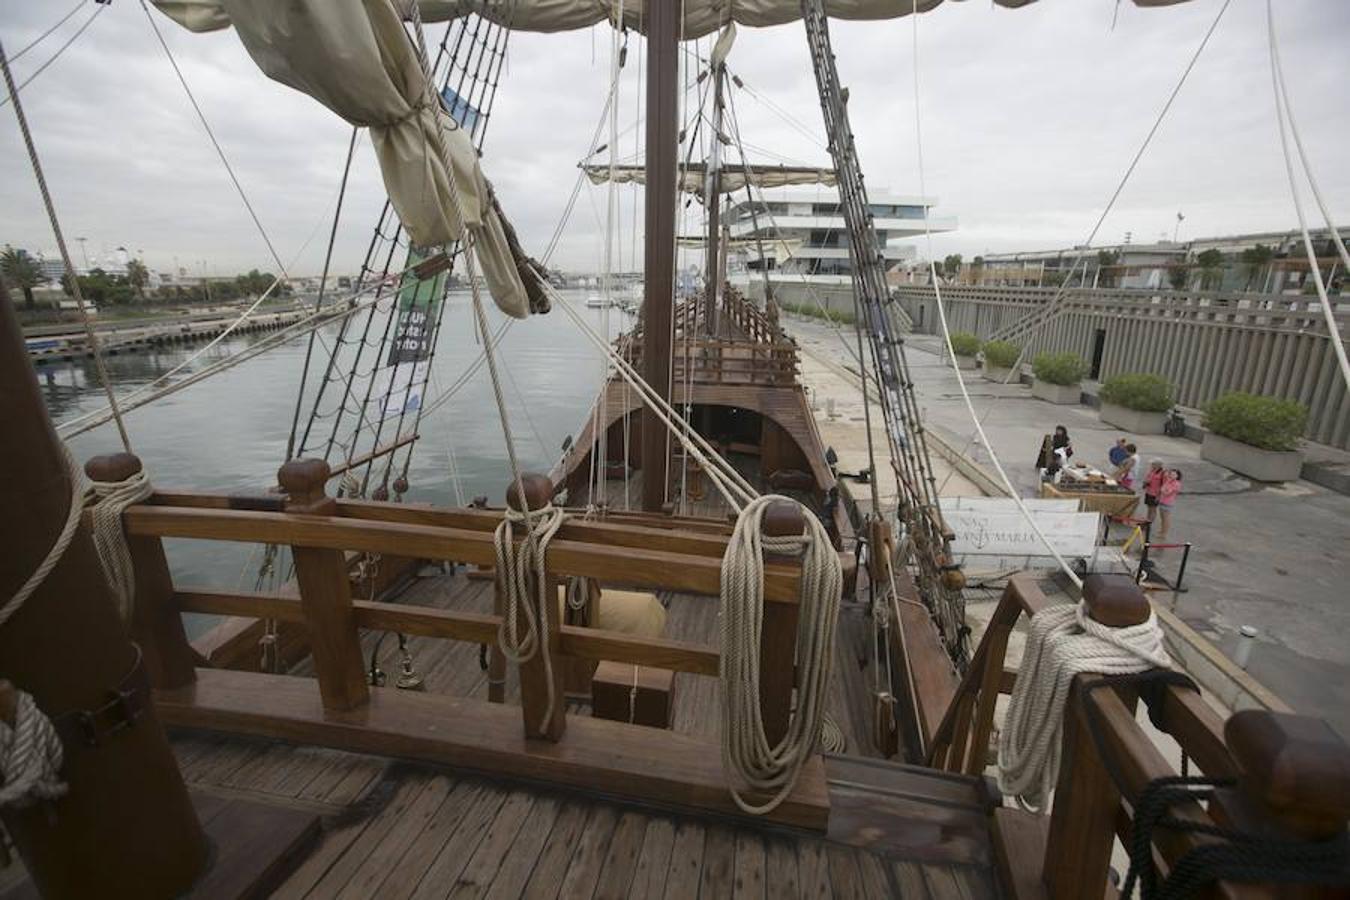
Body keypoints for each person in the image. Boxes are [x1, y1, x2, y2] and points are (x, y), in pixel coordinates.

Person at [1156, 468, 1182, 541]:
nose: (1171, 475)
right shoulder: (1168, 481)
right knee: (1162, 518)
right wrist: (1164, 490)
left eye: (1174, 474)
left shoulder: (1177, 483)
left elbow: (1167, 492)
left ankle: (1164, 533)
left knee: (1166, 519)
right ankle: (1162, 531)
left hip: (1168, 503)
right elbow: (1162, 489)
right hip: (1162, 501)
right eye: (1171, 474)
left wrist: (1164, 490)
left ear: (1177, 476)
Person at [1142, 458, 1166, 530]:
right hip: (1149, 491)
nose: (1151, 465)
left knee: (1153, 509)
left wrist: (1159, 496)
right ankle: (1147, 521)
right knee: (1149, 508)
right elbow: (1147, 478)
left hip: (1155, 494)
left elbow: (1164, 485)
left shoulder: (1163, 473)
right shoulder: (1152, 471)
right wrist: (1145, 483)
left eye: (1153, 464)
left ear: (1158, 465)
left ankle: (1149, 523)